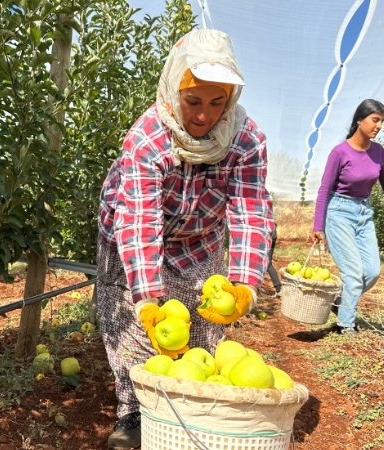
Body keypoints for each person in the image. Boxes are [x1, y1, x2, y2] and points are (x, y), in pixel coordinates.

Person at [96, 29, 274, 449]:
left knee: (202, 324)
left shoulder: (246, 141)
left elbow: (250, 211)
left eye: (218, 103)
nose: (203, 116)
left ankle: (195, 410)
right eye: (193, 101)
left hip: (200, 236)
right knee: (133, 320)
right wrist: (147, 298)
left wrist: (246, 283)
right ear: (174, 89)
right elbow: (139, 222)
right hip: (130, 232)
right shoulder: (148, 139)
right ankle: (136, 410)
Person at [312, 99, 384, 335]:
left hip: (363, 212)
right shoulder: (340, 152)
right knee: (353, 272)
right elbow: (324, 189)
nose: (379, 125)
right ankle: (345, 326)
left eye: (382, 121)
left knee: (371, 272)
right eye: (375, 119)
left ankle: (340, 302)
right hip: (339, 212)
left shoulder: (378, 151)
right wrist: (317, 225)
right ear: (359, 120)